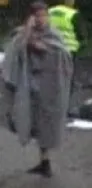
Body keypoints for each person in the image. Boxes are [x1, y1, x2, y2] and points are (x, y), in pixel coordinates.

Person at [2, 2, 73, 177]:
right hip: (29, 88)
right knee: (27, 121)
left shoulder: (53, 35)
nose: (42, 20)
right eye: (38, 16)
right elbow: (15, 50)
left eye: (44, 15)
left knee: (46, 126)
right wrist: (28, 30)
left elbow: (53, 52)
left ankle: (45, 163)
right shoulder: (23, 33)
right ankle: (44, 162)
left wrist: (35, 42)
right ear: (31, 17)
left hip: (49, 88)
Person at [47, 0, 83, 92]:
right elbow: (81, 34)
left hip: (50, 47)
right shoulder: (73, 14)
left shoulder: (50, 11)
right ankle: (65, 95)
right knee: (67, 74)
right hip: (69, 49)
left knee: (50, 73)